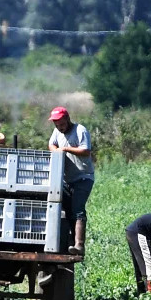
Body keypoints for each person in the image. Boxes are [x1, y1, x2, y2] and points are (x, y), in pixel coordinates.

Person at [47, 106, 94, 255]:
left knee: (78, 209)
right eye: (56, 125)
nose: (59, 128)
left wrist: (65, 149)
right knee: (66, 211)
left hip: (83, 177)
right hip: (67, 180)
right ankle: (70, 244)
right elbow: (51, 143)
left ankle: (80, 245)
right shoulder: (57, 132)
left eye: (61, 124)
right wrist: (55, 150)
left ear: (67, 119)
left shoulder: (80, 130)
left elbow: (86, 150)